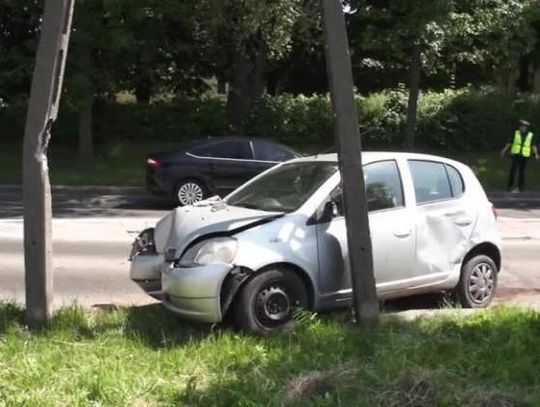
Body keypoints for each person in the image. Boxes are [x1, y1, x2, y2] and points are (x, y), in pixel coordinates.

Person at [500, 120, 539, 192]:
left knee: (522, 172)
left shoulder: (530, 135)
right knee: (513, 170)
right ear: (519, 127)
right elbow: (509, 143)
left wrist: (536, 153)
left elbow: (533, 145)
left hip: (524, 155)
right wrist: (504, 151)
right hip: (516, 154)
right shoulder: (515, 133)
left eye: (524, 127)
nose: (523, 128)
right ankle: (510, 186)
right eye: (522, 126)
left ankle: (521, 187)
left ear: (526, 128)